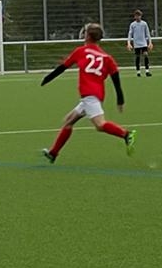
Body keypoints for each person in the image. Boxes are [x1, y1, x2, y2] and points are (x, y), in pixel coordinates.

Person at [40, 22, 136, 163]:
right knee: (68, 121)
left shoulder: (81, 51)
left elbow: (62, 67)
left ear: (88, 36)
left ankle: (126, 134)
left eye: (85, 32)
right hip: (94, 96)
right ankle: (53, 153)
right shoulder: (107, 58)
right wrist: (120, 99)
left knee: (100, 125)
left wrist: (47, 78)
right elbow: (116, 79)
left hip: (90, 96)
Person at [126, 9, 153, 77]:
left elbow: (148, 34)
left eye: (139, 15)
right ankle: (138, 72)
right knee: (137, 57)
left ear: (141, 16)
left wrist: (150, 43)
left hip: (143, 43)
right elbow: (130, 34)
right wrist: (129, 43)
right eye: (136, 16)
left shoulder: (144, 24)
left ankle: (147, 71)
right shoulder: (132, 24)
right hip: (136, 44)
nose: (138, 17)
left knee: (145, 55)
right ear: (134, 16)